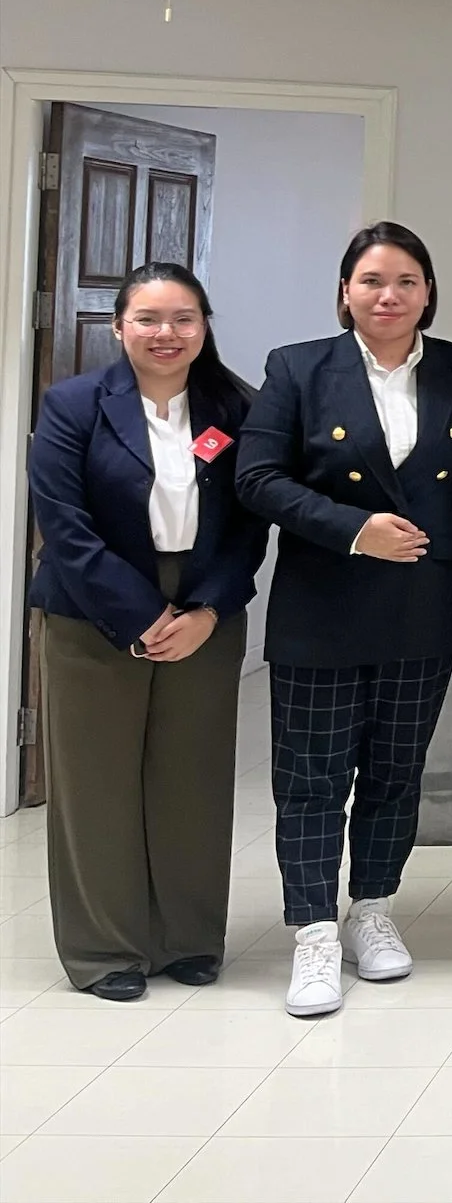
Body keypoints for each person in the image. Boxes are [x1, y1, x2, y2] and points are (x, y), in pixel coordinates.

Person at [236, 222, 452, 1018]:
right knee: (313, 777)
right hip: (323, 603)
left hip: (425, 600)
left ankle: (373, 909)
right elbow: (257, 476)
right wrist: (357, 530)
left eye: (405, 281)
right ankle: (314, 930)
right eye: (371, 280)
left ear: (428, 293)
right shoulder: (298, 367)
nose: (388, 295)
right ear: (345, 291)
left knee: (395, 771)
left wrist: (443, 543)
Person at [28, 263, 269, 1002]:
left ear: (204, 325)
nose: (167, 333)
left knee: (192, 779)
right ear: (119, 327)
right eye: (148, 319)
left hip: (204, 609)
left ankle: (189, 939)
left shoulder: (236, 405)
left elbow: (250, 522)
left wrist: (205, 611)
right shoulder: (73, 404)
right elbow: (64, 524)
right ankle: (106, 949)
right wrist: (142, 615)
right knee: (96, 781)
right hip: (91, 610)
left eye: (184, 318)